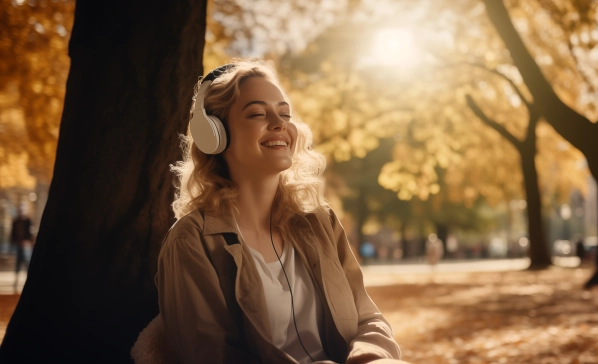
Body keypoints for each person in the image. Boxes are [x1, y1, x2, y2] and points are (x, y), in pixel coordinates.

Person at [131, 60, 403, 364]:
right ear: (214, 134)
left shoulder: (321, 221)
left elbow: (367, 317)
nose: (279, 124)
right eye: (258, 113)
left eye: (284, 113)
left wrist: (373, 357)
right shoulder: (190, 241)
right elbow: (214, 357)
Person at [10, 205, 33, 279]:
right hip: (18, 244)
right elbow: (13, 233)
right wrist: (14, 242)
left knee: (27, 262)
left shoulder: (28, 221)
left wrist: (27, 241)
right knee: (18, 263)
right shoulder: (15, 221)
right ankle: (16, 280)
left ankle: (29, 278)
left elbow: (29, 233)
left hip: (26, 245)